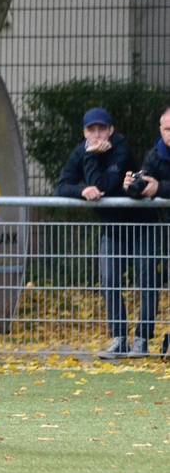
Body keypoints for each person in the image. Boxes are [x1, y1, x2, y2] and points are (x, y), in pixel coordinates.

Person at [57, 107, 156, 359]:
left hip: (141, 224)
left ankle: (142, 340)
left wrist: (91, 158)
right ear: (84, 132)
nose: (97, 134)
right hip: (112, 227)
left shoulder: (120, 149)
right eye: (91, 129)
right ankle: (119, 340)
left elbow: (103, 186)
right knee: (110, 279)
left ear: (111, 130)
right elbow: (62, 185)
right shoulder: (81, 151)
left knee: (147, 280)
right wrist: (81, 191)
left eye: (102, 129)